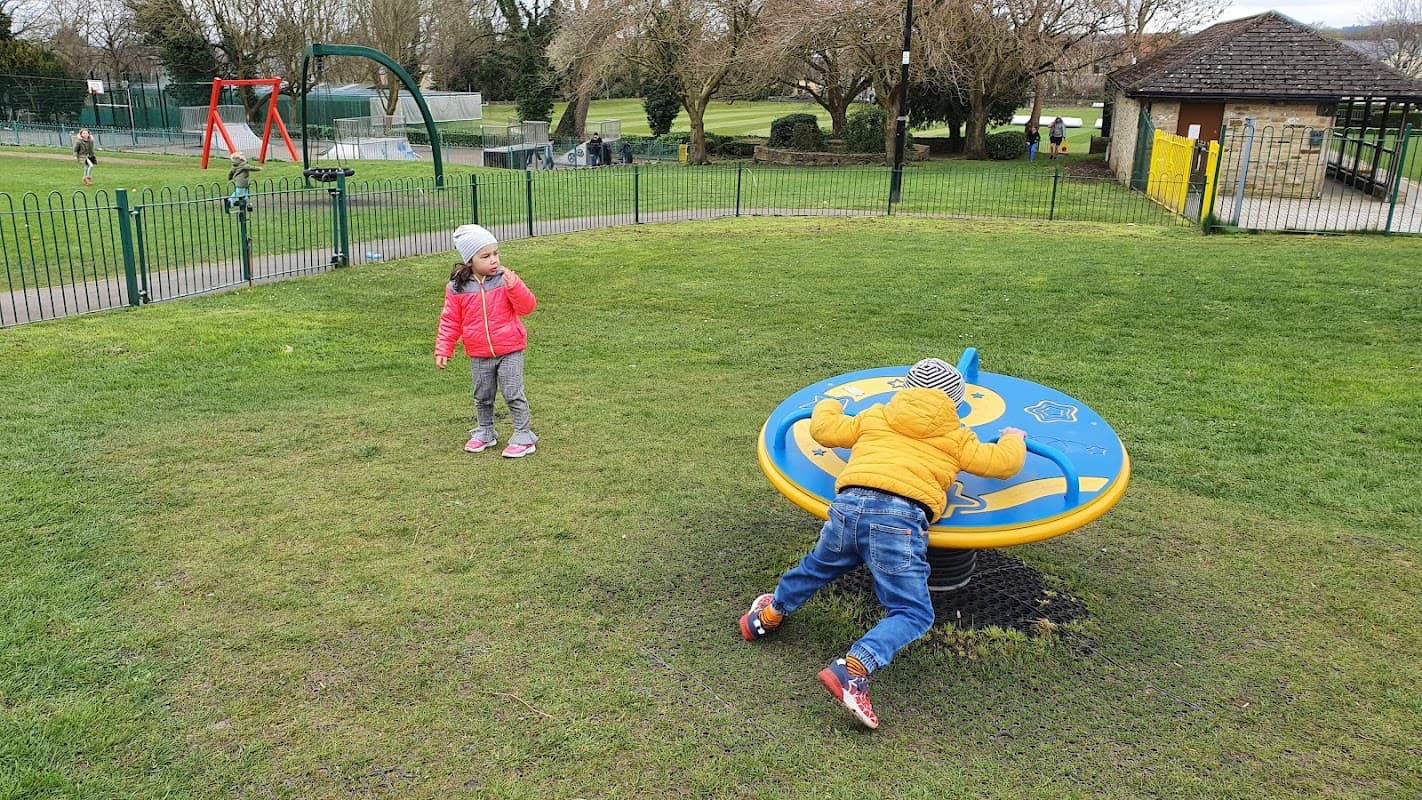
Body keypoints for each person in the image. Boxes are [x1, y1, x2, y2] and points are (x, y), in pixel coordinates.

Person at [739, 357, 1028, 730]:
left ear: (904, 391)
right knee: (913, 612)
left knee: (817, 567)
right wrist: (1013, 438)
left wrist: (832, 404)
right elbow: (1001, 464)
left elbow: (825, 429)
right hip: (899, 521)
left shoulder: (876, 415)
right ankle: (854, 669)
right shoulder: (957, 436)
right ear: (955, 404)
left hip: (848, 507)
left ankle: (768, 615)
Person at [435, 224, 539, 459]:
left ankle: (523, 436)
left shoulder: (506, 280)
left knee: (513, 393)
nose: (494, 260)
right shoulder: (457, 288)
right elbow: (450, 321)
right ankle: (485, 431)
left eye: (496, 253)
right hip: (479, 353)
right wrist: (444, 349)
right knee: (482, 395)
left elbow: (528, 306)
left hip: (510, 349)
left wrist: (515, 287)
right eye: (486, 256)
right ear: (470, 260)